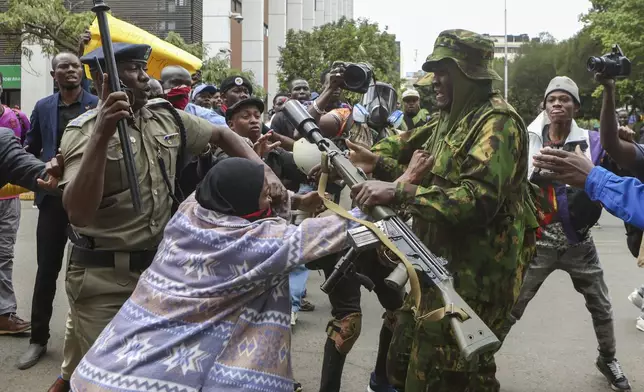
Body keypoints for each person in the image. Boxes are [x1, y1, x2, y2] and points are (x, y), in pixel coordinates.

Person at [46, 42, 286, 392]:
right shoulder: (83, 131)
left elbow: (220, 133)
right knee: (107, 380)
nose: (144, 77)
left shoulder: (165, 116)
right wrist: (102, 132)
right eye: (131, 69)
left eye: (143, 68)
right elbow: (79, 212)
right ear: (101, 78)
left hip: (160, 274)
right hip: (102, 280)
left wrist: (265, 171)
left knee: (157, 373)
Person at [345, 30, 538, 391]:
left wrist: (399, 190)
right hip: (437, 267)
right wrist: (371, 160)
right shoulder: (449, 118)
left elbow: (476, 201)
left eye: (444, 71)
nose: (435, 81)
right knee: (404, 366)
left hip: (475, 278)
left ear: (468, 74)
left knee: (450, 376)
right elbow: (402, 148)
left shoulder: (497, 123)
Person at [69, 157, 366, 392]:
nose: (270, 201)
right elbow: (341, 231)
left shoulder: (188, 214)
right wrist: (401, 186)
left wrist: (297, 201)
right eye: (265, 195)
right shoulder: (258, 243)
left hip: (103, 370)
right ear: (246, 201)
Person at [511, 76, 631, 391]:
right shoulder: (527, 139)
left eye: (565, 99)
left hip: (580, 242)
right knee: (514, 303)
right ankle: (482, 357)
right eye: (552, 99)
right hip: (540, 240)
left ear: (575, 106)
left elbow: (620, 173)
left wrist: (624, 142)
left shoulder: (594, 141)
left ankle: (608, 358)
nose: (558, 104)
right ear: (544, 105)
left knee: (602, 305)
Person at [19, 51, 99, 372]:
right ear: (54, 74)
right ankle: (38, 339)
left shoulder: (97, 105)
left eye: (75, 66)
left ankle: (93, 341)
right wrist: (38, 172)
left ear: (82, 72)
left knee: (93, 274)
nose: (70, 71)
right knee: (46, 271)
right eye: (63, 66)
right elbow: (31, 145)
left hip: (89, 200)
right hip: (52, 202)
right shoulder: (42, 107)